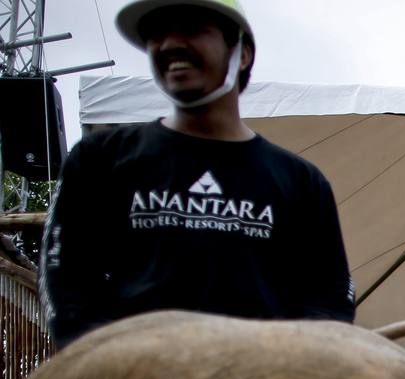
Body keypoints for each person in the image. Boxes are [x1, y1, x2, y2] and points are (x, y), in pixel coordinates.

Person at [41, 0, 355, 349]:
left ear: (242, 53)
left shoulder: (302, 183)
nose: (170, 43)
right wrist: (100, 360)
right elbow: (66, 280)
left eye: (192, 28)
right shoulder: (99, 160)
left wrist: (289, 367)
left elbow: (330, 302)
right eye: (157, 33)